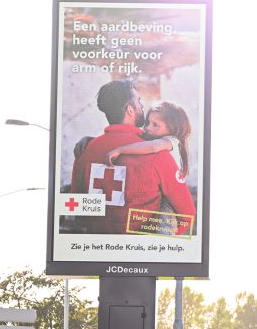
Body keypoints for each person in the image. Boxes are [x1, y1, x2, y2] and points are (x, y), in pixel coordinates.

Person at [70, 80, 196, 235]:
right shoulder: (157, 154)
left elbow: (76, 208)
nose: (142, 106)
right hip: (142, 251)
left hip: (97, 249)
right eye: (138, 101)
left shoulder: (84, 151)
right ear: (129, 109)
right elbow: (187, 215)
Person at [106, 102, 192, 213]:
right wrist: (89, 140)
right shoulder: (153, 136)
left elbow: (153, 147)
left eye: (155, 125)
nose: (148, 127)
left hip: (168, 200)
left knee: (163, 225)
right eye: (148, 122)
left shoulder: (170, 141)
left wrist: (120, 149)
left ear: (172, 128)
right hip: (158, 192)